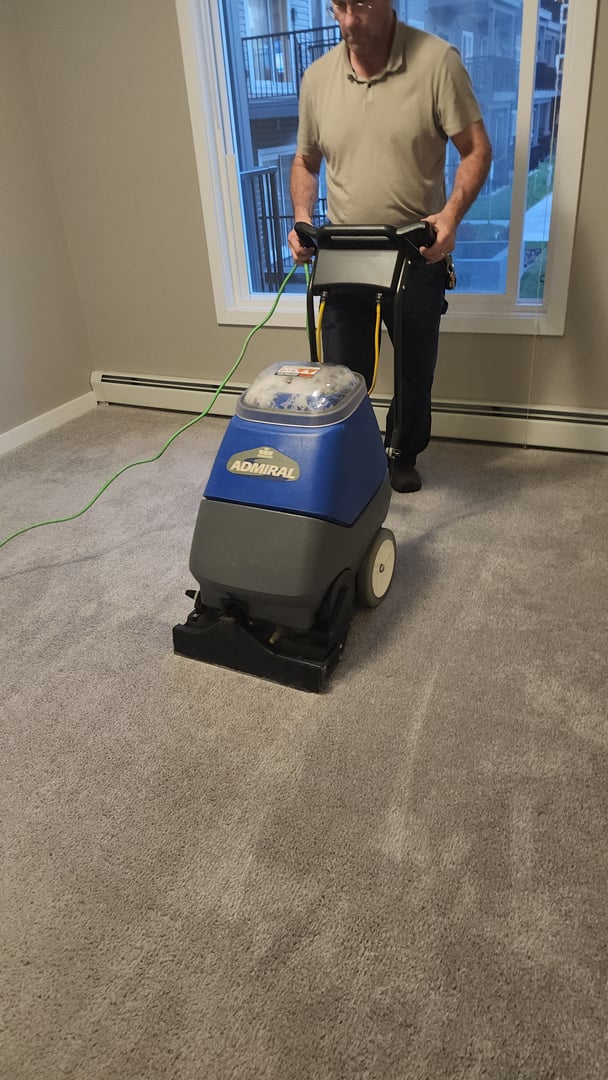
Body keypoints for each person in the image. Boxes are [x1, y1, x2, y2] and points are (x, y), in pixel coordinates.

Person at [288, 0, 492, 492]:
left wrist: (449, 218)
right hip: (345, 249)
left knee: (415, 369)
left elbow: (476, 149)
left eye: (360, 5)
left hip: (414, 250)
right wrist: (301, 220)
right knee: (340, 371)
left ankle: (403, 450)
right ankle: (351, 454)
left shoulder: (437, 62)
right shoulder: (317, 79)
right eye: (339, 6)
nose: (348, 21)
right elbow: (306, 162)